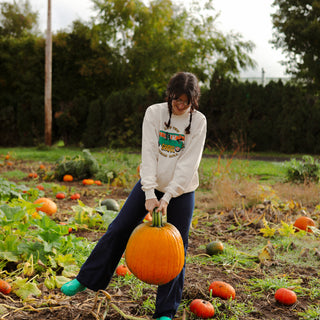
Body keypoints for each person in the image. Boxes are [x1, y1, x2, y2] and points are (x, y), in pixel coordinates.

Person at [61, 71, 207, 320]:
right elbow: (148, 153)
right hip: (149, 185)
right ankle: (85, 279)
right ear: (169, 95)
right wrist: (150, 192)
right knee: (119, 228)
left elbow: (188, 163)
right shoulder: (155, 113)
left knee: (177, 247)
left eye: (186, 101)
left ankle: (165, 311)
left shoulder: (199, 121)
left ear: (193, 100)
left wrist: (168, 196)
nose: (180, 105)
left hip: (181, 191)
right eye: (176, 100)